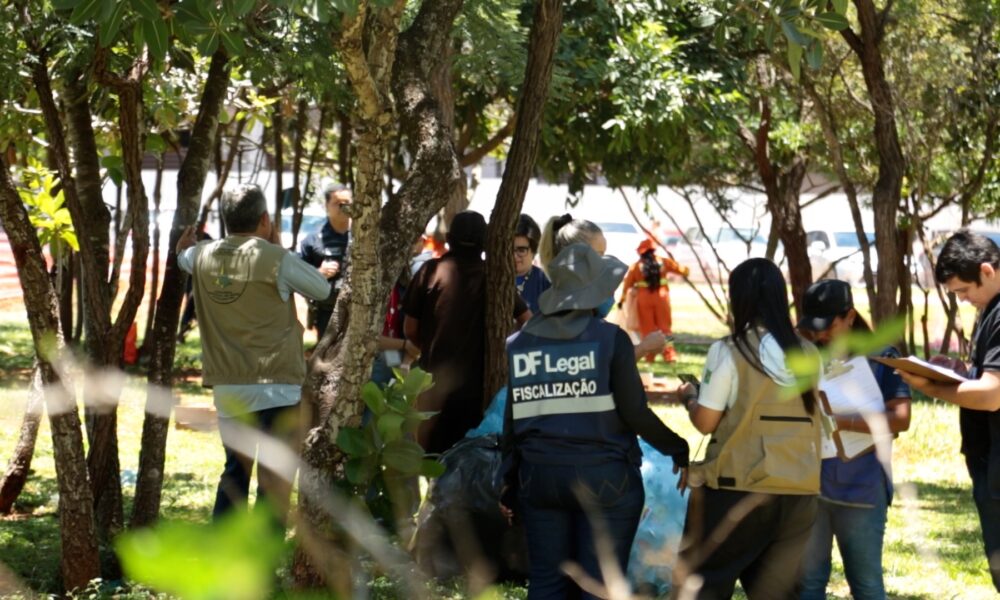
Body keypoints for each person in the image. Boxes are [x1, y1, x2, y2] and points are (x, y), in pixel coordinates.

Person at [499, 243, 690, 600]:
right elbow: (635, 414)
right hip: (606, 482)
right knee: (599, 586)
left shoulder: (518, 344)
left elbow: (513, 422)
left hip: (538, 479)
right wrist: (678, 448)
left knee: (546, 582)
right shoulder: (610, 340)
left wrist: (508, 481)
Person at [176, 184, 330, 525]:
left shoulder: (201, 256)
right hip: (279, 386)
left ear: (226, 220)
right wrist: (275, 245)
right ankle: (264, 565)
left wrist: (183, 248)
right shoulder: (277, 259)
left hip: (230, 387)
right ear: (265, 219)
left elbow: (183, 257)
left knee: (234, 475)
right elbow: (321, 288)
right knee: (274, 481)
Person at [674, 258, 821, 600]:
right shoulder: (809, 352)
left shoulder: (729, 350)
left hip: (737, 489)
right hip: (800, 489)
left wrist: (690, 397)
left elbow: (706, 422)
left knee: (701, 584)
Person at [895, 229, 1000, 591]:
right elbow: (987, 376)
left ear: (987, 270)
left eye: (964, 291)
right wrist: (958, 373)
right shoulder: (991, 308)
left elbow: (991, 395)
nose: (964, 300)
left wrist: (935, 387)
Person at [796, 279, 911, 600]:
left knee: (866, 586)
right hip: (811, 487)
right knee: (807, 584)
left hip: (862, 490)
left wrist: (840, 421)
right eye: (813, 327)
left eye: (827, 325)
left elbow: (901, 419)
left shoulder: (882, 358)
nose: (820, 334)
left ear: (849, 316)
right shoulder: (808, 356)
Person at [403, 210, 531, 454]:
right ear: (486, 241)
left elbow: (410, 328)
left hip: (433, 384)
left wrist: (430, 347)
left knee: (433, 461)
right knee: (471, 460)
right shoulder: (494, 277)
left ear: (449, 238)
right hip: (480, 388)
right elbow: (528, 322)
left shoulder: (430, 271)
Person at [540, 214, 667, 361]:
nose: (603, 264)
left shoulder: (553, 313)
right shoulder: (572, 323)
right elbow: (601, 365)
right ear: (574, 259)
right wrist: (643, 348)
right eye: (598, 256)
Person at [621, 238, 690, 363]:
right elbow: (682, 270)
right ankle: (669, 355)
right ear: (653, 250)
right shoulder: (663, 262)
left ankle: (649, 356)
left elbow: (627, 285)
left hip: (643, 300)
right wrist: (686, 269)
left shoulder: (636, 266)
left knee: (647, 328)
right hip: (661, 298)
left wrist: (622, 299)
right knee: (665, 328)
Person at [298, 183, 351, 340]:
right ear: (326, 205)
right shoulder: (313, 240)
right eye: (337, 203)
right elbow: (298, 278)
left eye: (347, 203)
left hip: (359, 311)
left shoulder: (364, 237)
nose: (343, 207)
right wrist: (319, 273)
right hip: (326, 313)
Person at [513, 214, 550, 314]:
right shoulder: (491, 279)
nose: (514, 256)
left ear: (533, 251)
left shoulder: (545, 283)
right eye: (509, 249)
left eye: (521, 250)